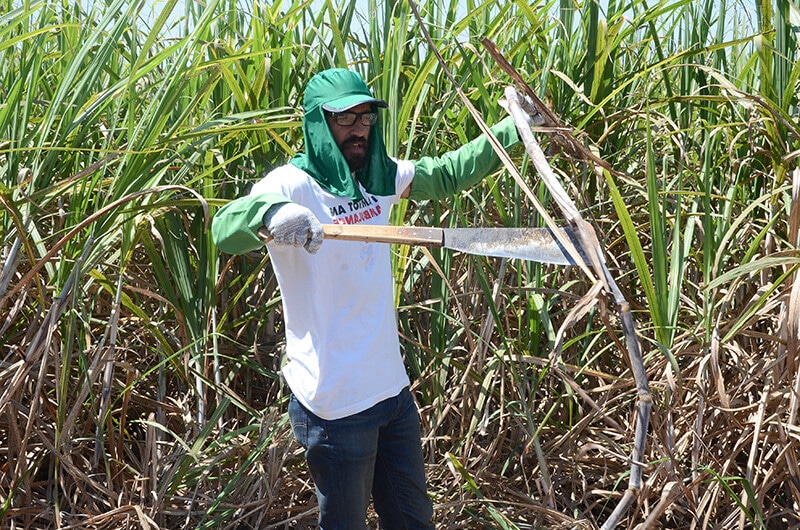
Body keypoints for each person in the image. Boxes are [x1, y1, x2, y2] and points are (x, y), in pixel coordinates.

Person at [211, 68, 522, 529]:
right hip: (335, 405)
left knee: (413, 522)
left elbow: (450, 173)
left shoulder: (377, 176)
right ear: (319, 124)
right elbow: (225, 228)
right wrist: (275, 214)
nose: (358, 127)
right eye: (344, 118)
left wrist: (515, 127)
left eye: (366, 116)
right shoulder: (292, 186)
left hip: (391, 393)